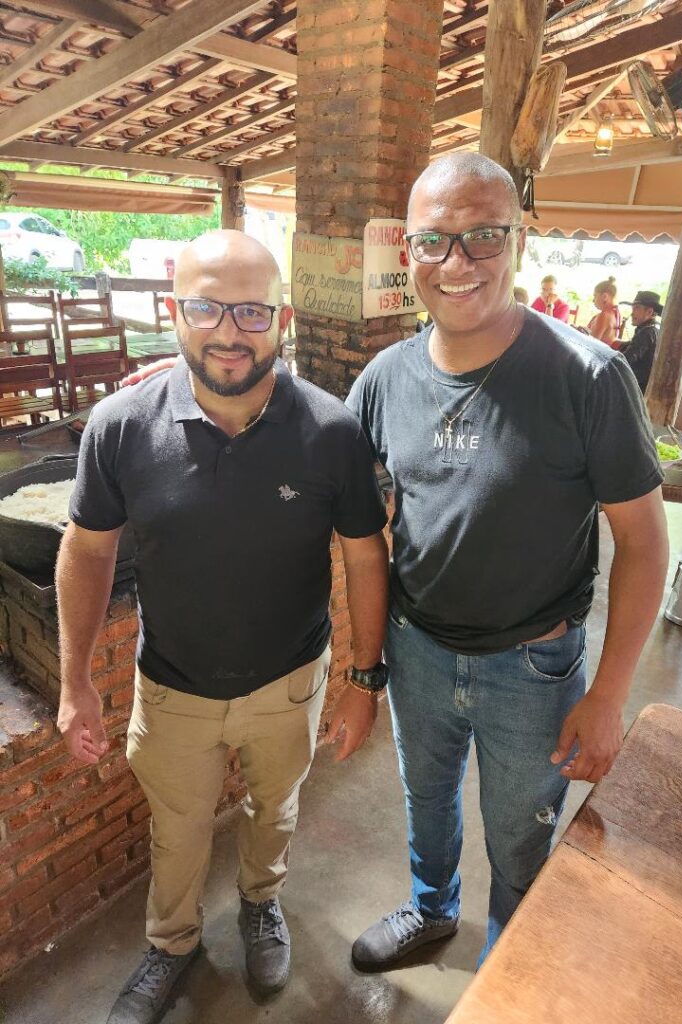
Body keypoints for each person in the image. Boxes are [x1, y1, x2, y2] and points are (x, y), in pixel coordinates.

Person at [344, 153, 669, 970]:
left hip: (533, 667)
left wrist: (609, 694)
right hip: (417, 651)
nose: (457, 262)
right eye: (435, 240)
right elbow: (317, 461)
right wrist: (198, 385)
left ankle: (508, 963)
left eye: (483, 236)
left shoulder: (588, 376)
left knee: (523, 830)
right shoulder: (386, 378)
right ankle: (431, 908)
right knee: (426, 799)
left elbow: (643, 542)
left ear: (519, 239)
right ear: (409, 251)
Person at [56, 230, 389, 1024]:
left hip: (291, 682)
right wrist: (75, 683)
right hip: (172, 688)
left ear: (283, 320)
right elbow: (87, 549)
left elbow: (366, 556)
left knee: (275, 808)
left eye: (251, 311)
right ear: (174, 313)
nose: (228, 332)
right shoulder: (121, 424)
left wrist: (364, 681)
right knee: (177, 831)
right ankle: (171, 943)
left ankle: (261, 904)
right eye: (206, 308)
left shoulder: (331, 431)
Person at [618, 289, 662, 393]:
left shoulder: (647, 332)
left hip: (637, 389)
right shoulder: (652, 330)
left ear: (649, 312)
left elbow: (627, 358)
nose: (632, 313)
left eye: (636, 308)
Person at [586, 276, 621, 347]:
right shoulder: (616, 314)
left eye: (595, 296)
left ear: (605, 296)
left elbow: (590, 345)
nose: (593, 300)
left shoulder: (604, 316)